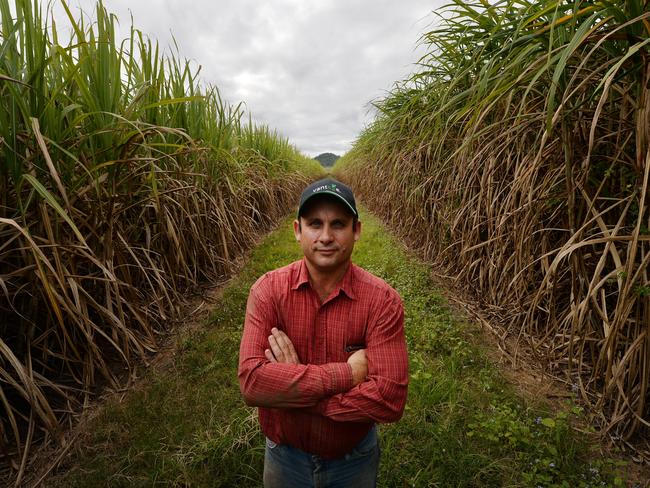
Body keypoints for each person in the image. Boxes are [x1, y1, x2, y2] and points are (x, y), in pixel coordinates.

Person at [238, 177, 408, 487]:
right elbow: (252, 382)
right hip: (284, 457)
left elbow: (389, 399)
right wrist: (346, 374)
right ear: (297, 231)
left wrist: (297, 389)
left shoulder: (382, 301)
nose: (326, 236)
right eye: (315, 223)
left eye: (338, 224)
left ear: (356, 231)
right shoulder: (268, 291)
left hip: (352, 461)